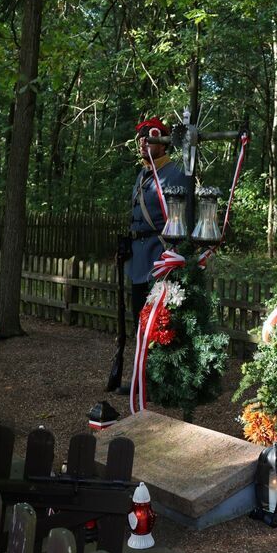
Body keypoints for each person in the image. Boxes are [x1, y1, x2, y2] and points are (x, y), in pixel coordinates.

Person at [105, 117, 191, 394]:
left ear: (163, 143)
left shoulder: (176, 174)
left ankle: (157, 378)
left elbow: (182, 219)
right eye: (140, 136)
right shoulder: (143, 174)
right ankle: (143, 375)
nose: (143, 141)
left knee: (159, 320)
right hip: (138, 258)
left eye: (150, 136)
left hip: (160, 257)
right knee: (139, 320)